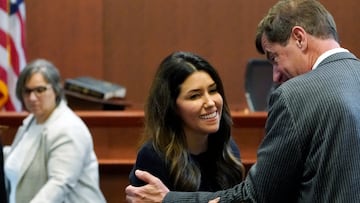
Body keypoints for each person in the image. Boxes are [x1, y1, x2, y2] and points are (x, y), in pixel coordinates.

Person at [125, 0, 360, 202]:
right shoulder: (156, 154)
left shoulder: (294, 95)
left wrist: (169, 199)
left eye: (274, 58)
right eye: (195, 95)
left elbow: (256, 197)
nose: (276, 75)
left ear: (299, 38)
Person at [129, 51, 245, 192]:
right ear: (172, 107)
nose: (210, 102)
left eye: (213, 90)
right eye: (195, 96)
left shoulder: (228, 149)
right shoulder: (153, 157)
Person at [3, 59, 106, 203]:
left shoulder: (68, 128)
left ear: (56, 90)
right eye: (27, 91)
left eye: (40, 90)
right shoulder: (32, 122)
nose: (32, 98)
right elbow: (23, 157)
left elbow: (58, 184)